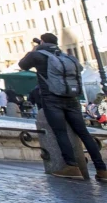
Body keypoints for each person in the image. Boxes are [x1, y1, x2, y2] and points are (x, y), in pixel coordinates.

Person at [19, 33, 106, 181]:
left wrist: (36, 48)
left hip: (52, 99)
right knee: (83, 133)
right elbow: (78, 69)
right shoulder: (67, 57)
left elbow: (22, 65)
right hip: (72, 98)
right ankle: (102, 169)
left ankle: (72, 167)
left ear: (43, 41)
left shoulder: (38, 55)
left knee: (61, 132)